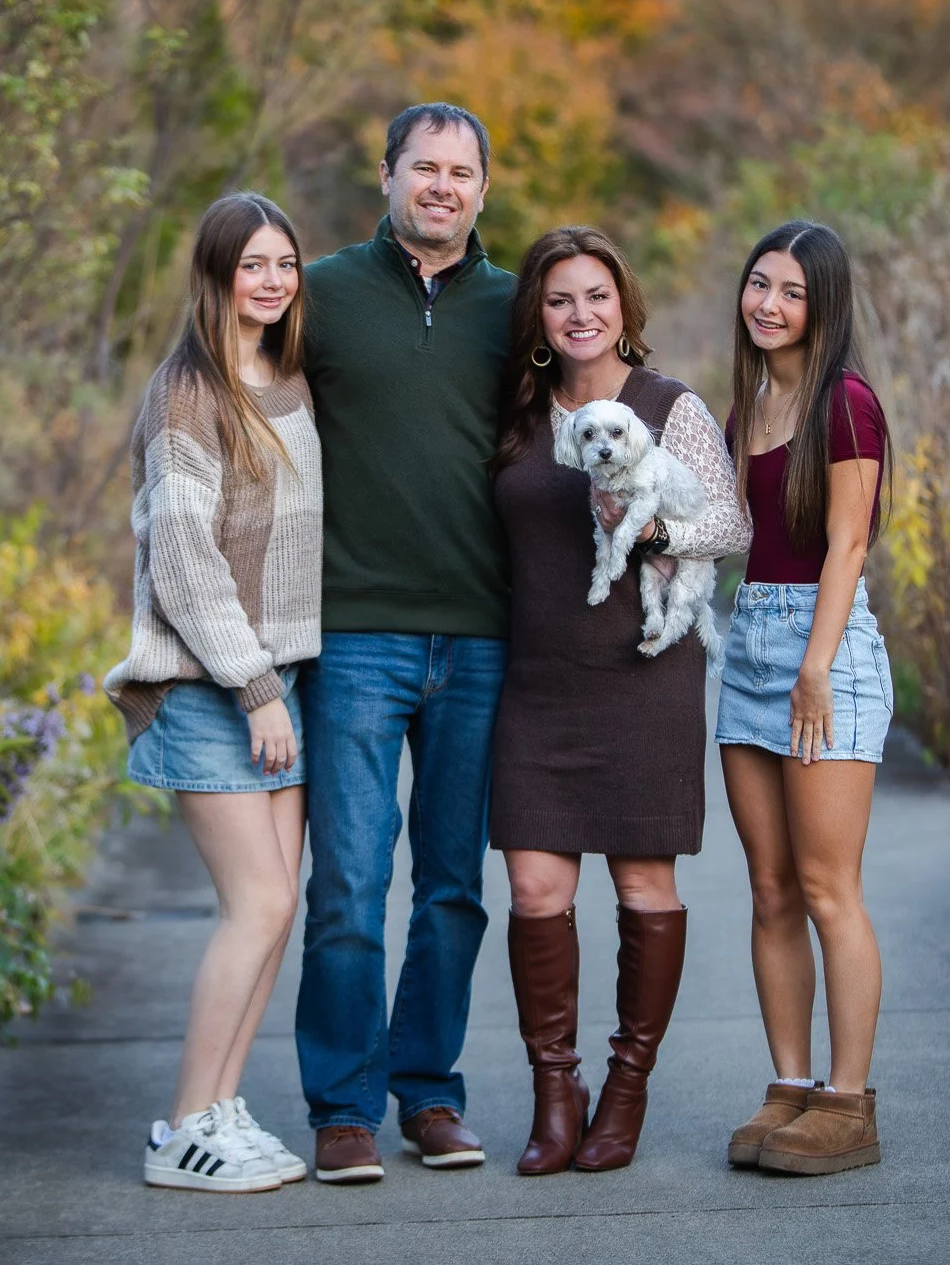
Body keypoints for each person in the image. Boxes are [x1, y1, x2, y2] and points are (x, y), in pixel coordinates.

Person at [489, 225, 748, 1174]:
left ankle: (624, 1092)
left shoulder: (667, 405)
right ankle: (555, 1094)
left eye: (596, 295)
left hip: (643, 677)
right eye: (560, 299)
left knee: (644, 884)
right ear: (539, 317)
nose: (580, 313)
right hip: (538, 684)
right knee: (534, 888)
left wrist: (644, 535)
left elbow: (725, 519)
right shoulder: (518, 412)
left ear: (623, 307)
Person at [295, 103, 515, 1183]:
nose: (440, 185)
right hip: (354, 633)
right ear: (383, 176)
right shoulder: (322, 293)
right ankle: (342, 1105)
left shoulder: (515, 309)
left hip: (479, 636)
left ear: (483, 187)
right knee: (343, 877)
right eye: (421, 167)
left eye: (459, 171)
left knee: (451, 884)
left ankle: (427, 1092)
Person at [104, 192, 321, 1194]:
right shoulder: (186, 393)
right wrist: (255, 685)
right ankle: (183, 1128)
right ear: (216, 275)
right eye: (253, 265)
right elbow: (184, 563)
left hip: (279, 683)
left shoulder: (284, 378)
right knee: (259, 901)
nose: (271, 281)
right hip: (214, 687)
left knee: (276, 910)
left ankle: (222, 1108)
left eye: (284, 264)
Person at [715, 220, 893, 1175]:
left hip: (823, 653)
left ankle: (848, 1100)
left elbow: (849, 545)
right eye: (757, 285)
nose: (768, 304)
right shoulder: (746, 406)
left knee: (828, 887)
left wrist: (816, 666)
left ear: (821, 304)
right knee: (771, 887)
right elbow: (724, 528)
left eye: (789, 290)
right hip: (747, 647)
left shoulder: (847, 405)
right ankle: (788, 1088)